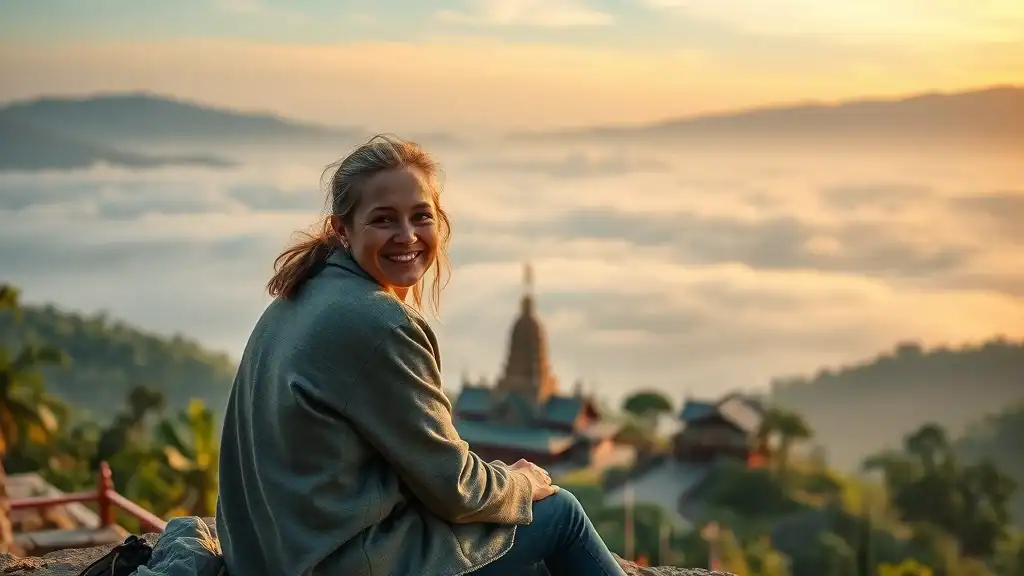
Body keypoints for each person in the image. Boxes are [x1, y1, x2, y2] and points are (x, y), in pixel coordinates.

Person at [215, 135, 626, 576]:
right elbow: (455, 488)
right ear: (342, 228)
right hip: (332, 563)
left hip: (270, 556)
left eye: (420, 217)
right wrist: (521, 484)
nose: (407, 236)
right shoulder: (378, 323)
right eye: (384, 219)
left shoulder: (300, 294)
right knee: (559, 513)